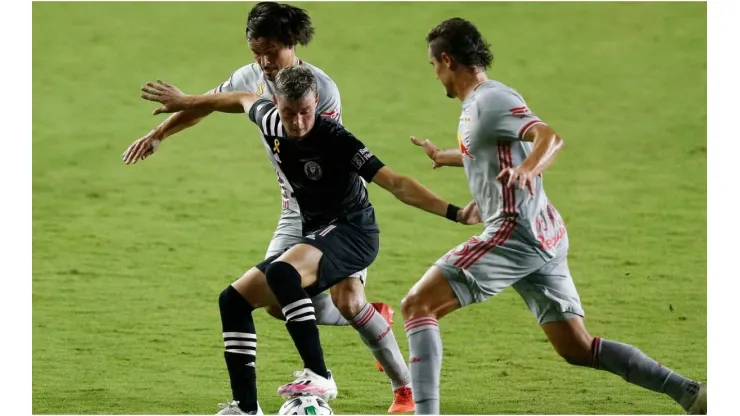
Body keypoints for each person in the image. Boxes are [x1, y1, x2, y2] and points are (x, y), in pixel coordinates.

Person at [401, 17, 707, 415]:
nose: (435, 75)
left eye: (433, 66)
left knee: (417, 306)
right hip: (543, 234)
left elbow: (549, 138)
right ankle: (692, 394)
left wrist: (528, 170)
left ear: (447, 60)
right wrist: (445, 157)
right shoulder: (477, 106)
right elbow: (489, 148)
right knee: (577, 348)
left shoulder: (491, 99)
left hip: (514, 234)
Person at [121, 3, 414, 411]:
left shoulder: (319, 89)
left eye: (271, 51)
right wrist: (158, 135)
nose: (263, 61)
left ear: (292, 44)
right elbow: (208, 103)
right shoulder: (251, 78)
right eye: (255, 50)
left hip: (337, 213)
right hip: (294, 212)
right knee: (275, 300)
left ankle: (405, 389)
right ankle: (366, 321)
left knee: (348, 301)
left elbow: (313, 147)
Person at [139, 66, 478, 415]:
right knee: (233, 300)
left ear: (316, 102)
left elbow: (396, 183)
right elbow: (241, 98)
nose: (298, 122)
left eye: (305, 112)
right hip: (314, 229)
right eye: (289, 113)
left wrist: (455, 213)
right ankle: (246, 407)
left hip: (353, 232)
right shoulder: (269, 119)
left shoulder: (337, 138)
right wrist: (185, 103)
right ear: (276, 106)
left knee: (284, 274)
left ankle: (320, 375)